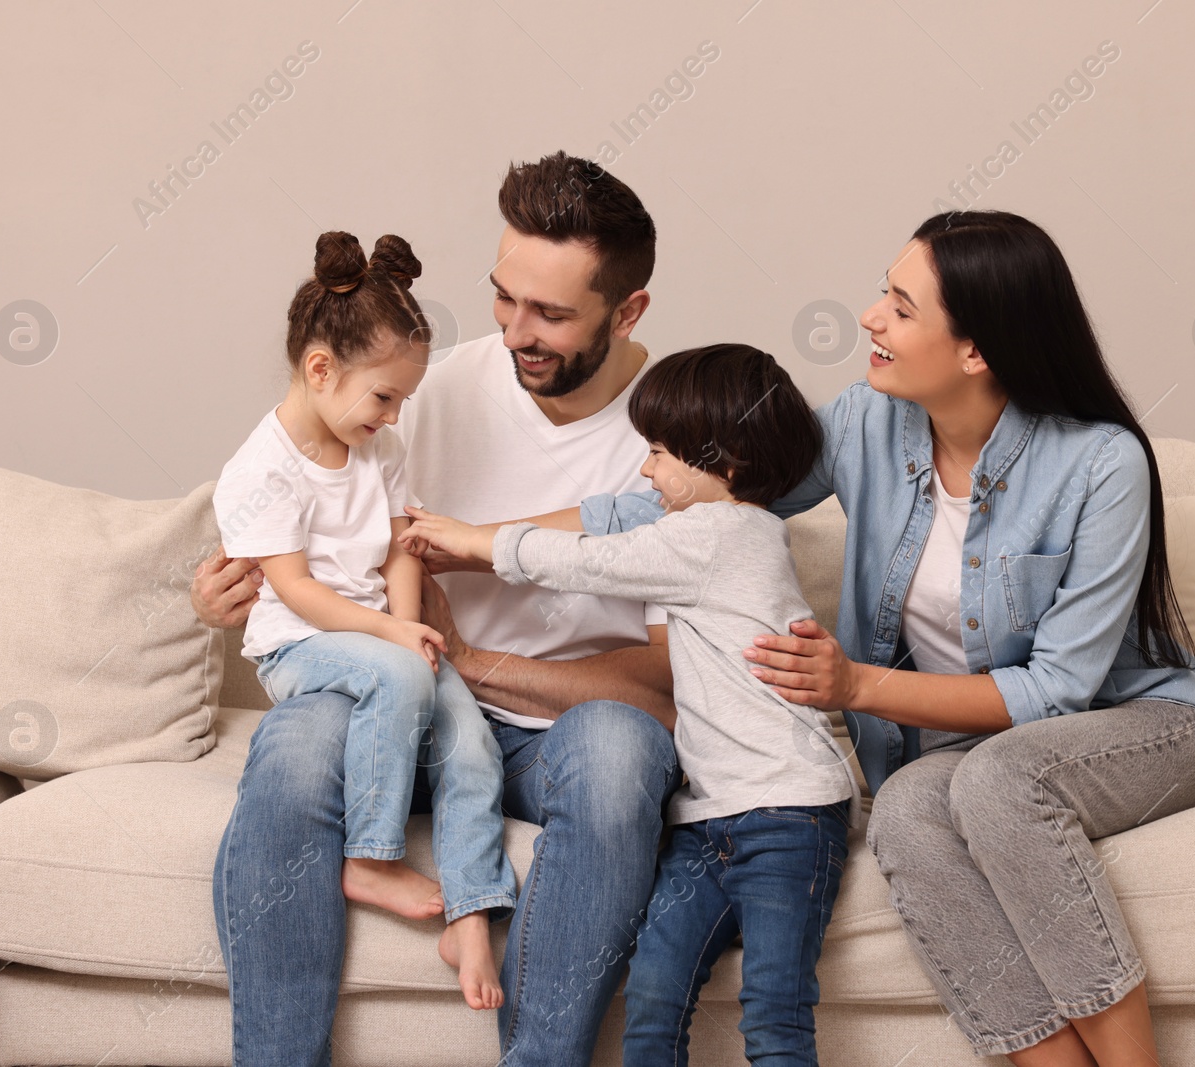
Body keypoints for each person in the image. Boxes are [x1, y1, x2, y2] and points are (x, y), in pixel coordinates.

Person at [583, 211, 1195, 1067]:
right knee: (906, 813)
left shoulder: (1102, 464)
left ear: (977, 352)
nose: (869, 317)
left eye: (900, 303)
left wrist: (854, 687)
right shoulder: (865, 423)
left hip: (1137, 727)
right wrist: (480, 540)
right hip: (956, 755)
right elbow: (716, 492)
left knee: (998, 781)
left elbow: (1056, 692)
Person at [192, 152, 680, 1065]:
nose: (515, 331)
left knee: (624, 755)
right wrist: (224, 587)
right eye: (505, 298)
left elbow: (662, 688)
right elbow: (305, 500)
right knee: (296, 749)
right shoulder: (419, 386)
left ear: (629, 310)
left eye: (551, 313)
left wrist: (472, 659)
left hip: (554, 725)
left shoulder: (676, 435)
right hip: (397, 695)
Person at [401, 344, 859, 1066]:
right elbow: (613, 523)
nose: (646, 470)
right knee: (652, 998)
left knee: (774, 1015)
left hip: (789, 814)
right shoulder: (702, 527)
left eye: (660, 453)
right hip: (710, 820)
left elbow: (589, 558)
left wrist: (475, 541)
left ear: (727, 464)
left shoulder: (723, 534)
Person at [210, 230, 515, 1010]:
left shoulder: (376, 450)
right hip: (303, 647)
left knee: (473, 741)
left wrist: (414, 633)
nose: (392, 415)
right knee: (398, 671)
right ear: (321, 369)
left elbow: (400, 551)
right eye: (384, 396)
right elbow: (298, 590)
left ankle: (473, 910)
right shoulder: (262, 468)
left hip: (384, 644)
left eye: (402, 400)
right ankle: (370, 855)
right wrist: (393, 643)